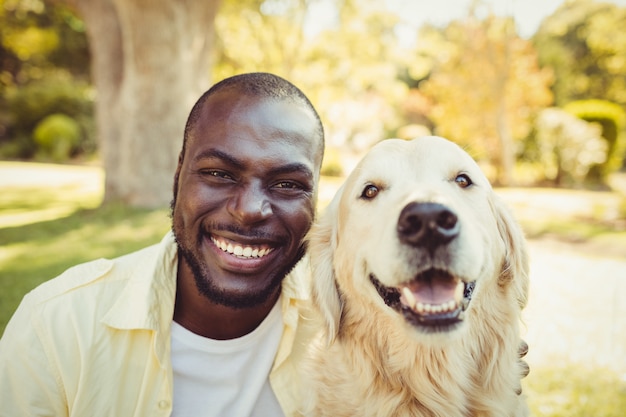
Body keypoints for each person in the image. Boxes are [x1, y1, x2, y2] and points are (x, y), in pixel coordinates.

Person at [0, 72, 325, 417]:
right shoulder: (58, 327)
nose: (248, 210)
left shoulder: (353, 332)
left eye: (288, 184)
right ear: (178, 176)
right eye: (219, 174)